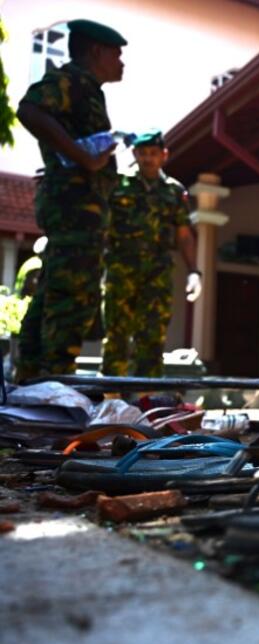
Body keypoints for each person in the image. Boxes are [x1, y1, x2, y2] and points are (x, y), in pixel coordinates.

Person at [15, 19, 126, 380]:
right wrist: (81, 157)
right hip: (75, 211)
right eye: (117, 54)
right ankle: (56, 381)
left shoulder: (89, 89)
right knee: (73, 296)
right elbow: (30, 109)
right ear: (96, 51)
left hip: (79, 210)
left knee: (54, 291)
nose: (122, 62)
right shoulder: (74, 81)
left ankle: (31, 378)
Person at [101, 131, 201, 377]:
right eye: (143, 153)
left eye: (153, 154)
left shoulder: (174, 191)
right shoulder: (118, 184)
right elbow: (102, 228)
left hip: (157, 274)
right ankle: (112, 403)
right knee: (117, 336)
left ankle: (147, 399)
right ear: (135, 154)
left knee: (152, 338)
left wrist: (194, 272)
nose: (148, 159)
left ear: (163, 156)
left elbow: (184, 235)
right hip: (120, 270)